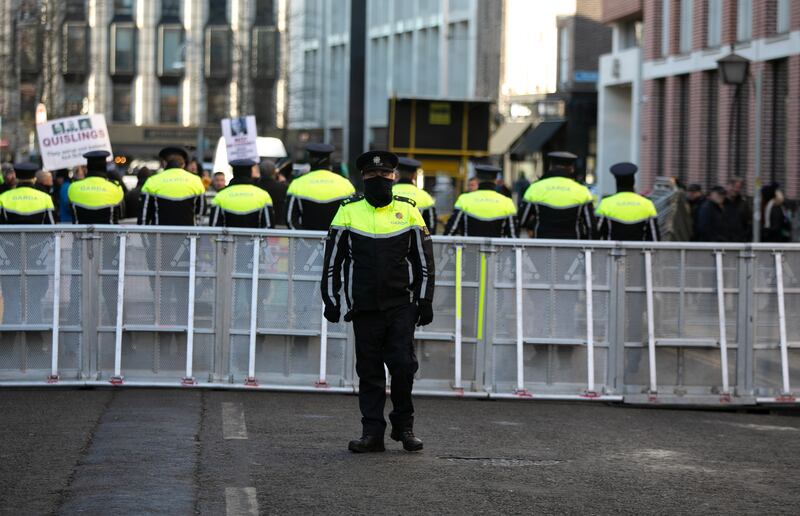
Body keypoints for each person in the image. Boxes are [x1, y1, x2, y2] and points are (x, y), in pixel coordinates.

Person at [321, 150, 435, 454]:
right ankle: (372, 433)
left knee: (403, 367)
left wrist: (424, 300)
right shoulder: (347, 211)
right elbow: (332, 261)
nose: (379, 180)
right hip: (364, 307)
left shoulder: (410, 211)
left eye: (385, 175)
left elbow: (424, 262)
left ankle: (404, 427)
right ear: (363, 179)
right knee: (369, 373)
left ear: (394, 177)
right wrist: (330, 299)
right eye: (372, 176)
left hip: (401, 305)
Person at [517, 151, 594, 239]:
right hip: (573, 248)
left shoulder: (535, 188)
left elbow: (521, 221)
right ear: (572, 169)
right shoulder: (582, 191)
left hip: (541, 246)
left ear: (550, 167)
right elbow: (591, 226)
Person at [286, 143, 355, 230]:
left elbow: (290, 220)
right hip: (335, 241)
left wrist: (304, 240)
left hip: (305, 241)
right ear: (329, 160)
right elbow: (352, 219)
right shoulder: (346, 184)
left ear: (310, 159)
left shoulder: (296, 184)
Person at [444, 164, 517, 237]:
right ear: (495, 181)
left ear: (477, 180)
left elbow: (450, 230)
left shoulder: (464, 199)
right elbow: (514, 237)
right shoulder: (507, 202)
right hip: (498, 248)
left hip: (469, 247)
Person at [139, 146, 205, 226]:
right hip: (189, 236)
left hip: (159, 236)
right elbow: (201, 212)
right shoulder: (196, 180)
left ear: (164, 163)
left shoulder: (152, 181)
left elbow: (143, 218)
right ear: (183, 164)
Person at [595, 163, 659, 241]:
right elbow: (654, 238)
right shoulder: (647, 204)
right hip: (639, 252)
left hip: (611, 252)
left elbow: (596, 234)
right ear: (633, 181)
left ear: (616, 181)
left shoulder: (605, 203)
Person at [210, 159, 275, 228]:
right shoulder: (264, 196)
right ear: (250, 173)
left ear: (233, 173)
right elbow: (269, 227)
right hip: (255, 238)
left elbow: (214, 228)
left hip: (228, 239)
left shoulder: (220, 196)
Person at [68, 150, 125, 224]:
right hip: (108, 235)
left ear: (87, 167)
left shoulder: (73, 187)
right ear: (105, 167)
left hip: (81, 235)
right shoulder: (116, 188)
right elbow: (121, 214)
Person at [392, 157, 437, 233]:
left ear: (396, 174)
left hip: (391, 242)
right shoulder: (425, 197)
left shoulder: (388, 193)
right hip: (416, 243)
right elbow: (431, 227)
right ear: (414, 176)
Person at [257, 160, 289, 227]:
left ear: (259, 172)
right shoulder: (283, 187)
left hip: (261, 226)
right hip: (280, 225)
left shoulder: (256, 186)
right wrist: (284, 182)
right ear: (274, 172)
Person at [727, 177, 751, 242]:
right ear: (728, 186)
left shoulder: (744, 204)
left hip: (739, 242)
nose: (736, 189)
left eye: (738, 187)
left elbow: (748, 223)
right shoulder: (722, 202)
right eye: (734, 186)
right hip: (723, 242)